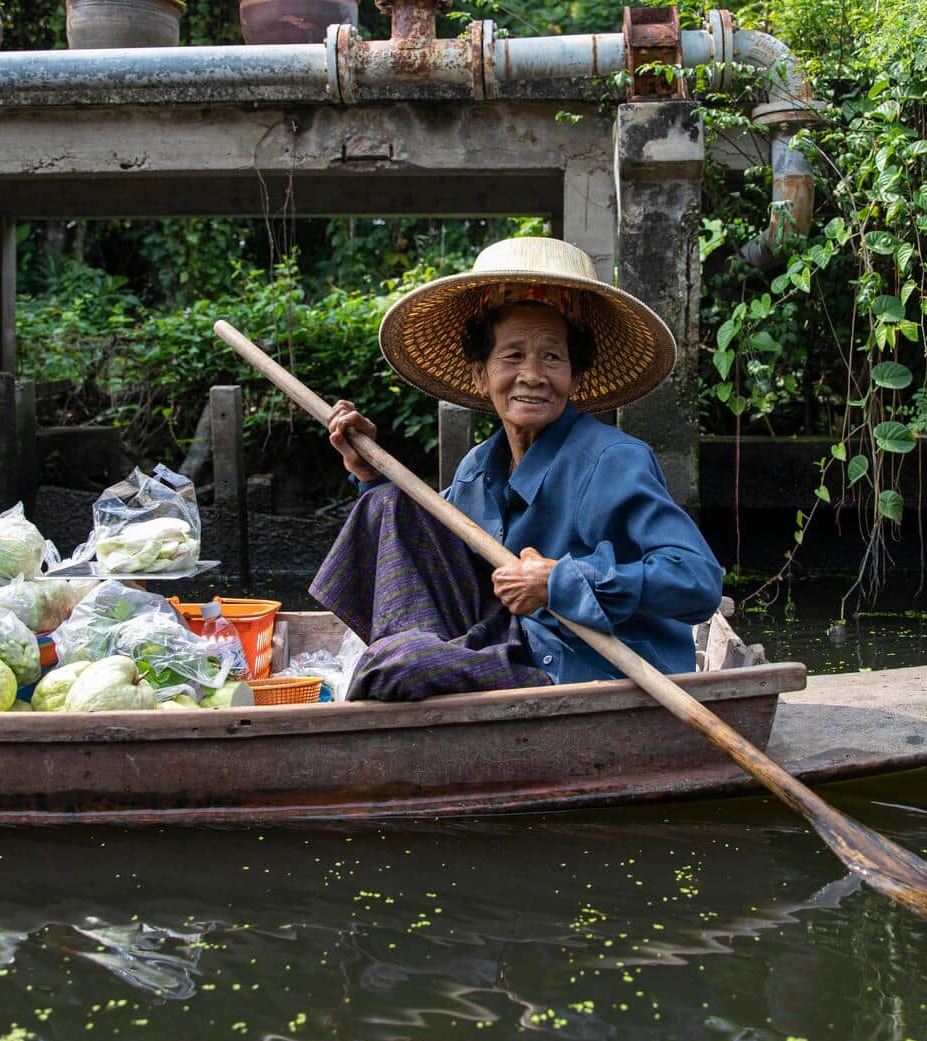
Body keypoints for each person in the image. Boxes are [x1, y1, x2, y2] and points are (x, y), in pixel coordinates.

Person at [309, 237, 724, 701]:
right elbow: (425, 548)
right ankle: (418, 653)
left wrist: (557, 582)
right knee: (386, 504)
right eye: (512, 356)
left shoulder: (613, 460)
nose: (532, 374)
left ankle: (415, 661)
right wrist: (367, 470)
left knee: (398, 669)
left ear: (575, 375)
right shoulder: (478, 469)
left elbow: (697, 581)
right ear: (479, 374)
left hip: (586, 667)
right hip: (507, 640)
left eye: (552, 356)